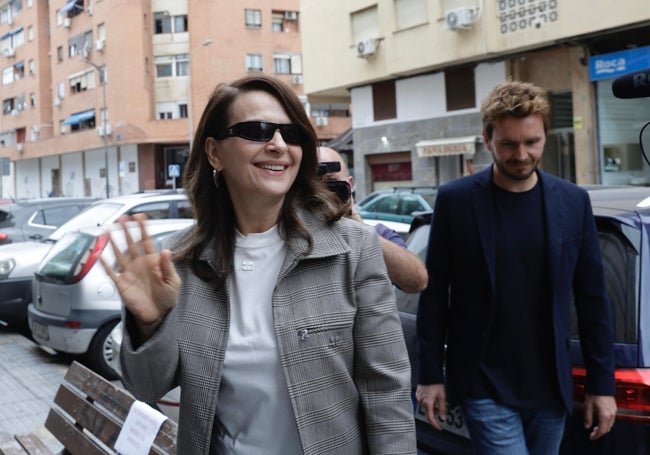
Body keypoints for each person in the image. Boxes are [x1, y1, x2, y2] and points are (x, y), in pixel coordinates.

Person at [102, 74, 417, 454]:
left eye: (292, 133)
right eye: (257, 130)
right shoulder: (180, 261)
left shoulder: (353, 249)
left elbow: (387, 394)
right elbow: (145, 390)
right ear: (215, 153)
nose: (279, 145)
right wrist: (150, 324)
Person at [415, 80, 617, 453]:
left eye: (531, 142)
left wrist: (602, 385)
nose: (521, 154)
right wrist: (430, 376)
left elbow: (593, 301)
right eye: (508, 143)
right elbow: (433, 293)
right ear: (488, 138)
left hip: (550, 388)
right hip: (483, 383)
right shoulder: (456, 201)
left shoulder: (572, 202)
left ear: (544, 136)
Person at [317, 146, 428, 293]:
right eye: (316, 184)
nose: (322, 192)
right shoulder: (293, 235)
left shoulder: (379, 233)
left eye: (331, 181)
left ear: (349, 185)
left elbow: (417, 281)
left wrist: (353, 217)